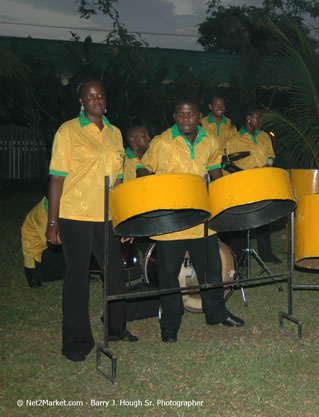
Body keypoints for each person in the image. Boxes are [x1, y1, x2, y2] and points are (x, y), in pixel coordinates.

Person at [138, 97, 244, 343]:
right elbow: (143, 168)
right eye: (181, 115)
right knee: (168, 273)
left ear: (199, 116)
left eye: (190, 115)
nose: (186, 119)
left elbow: (215, 170)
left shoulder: (210, 140)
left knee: (211, 269)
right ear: (175, 117)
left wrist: (226, 196)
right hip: (172, 219)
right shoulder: (162, 141)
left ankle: (215, 312)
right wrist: (152, 189)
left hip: (201, 216)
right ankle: (170, 323)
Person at [46, 79, 137, 362]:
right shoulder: (68, 131)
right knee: (78, 278)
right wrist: (52, 222)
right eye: (90, 95)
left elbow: (119, 179)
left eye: (100, 94)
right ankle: (76, 341)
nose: (96, 98)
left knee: (115, 272)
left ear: (105, 100)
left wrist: (123, 217)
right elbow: (57, 177)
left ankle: (116, 329)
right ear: (81, 101)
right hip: (75, 215)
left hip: (107, 215)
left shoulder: (115, 133)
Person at [223, 106, 280, 263]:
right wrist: (244, 173)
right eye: (258, 118)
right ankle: (239, 257)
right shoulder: (235, 140)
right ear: (249, 119)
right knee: (243, 219)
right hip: (244, 182)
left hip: (262, 180)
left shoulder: (264, 136)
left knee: (263, 217)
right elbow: (227, 164)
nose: (261, 122)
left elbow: (271, 156)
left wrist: (267, 166)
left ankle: (266, 253)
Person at [21, 195, 65, 288]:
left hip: (47, 248)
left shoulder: (52, 205)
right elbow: (53, 241)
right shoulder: (43, 214)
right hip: (39, 255)